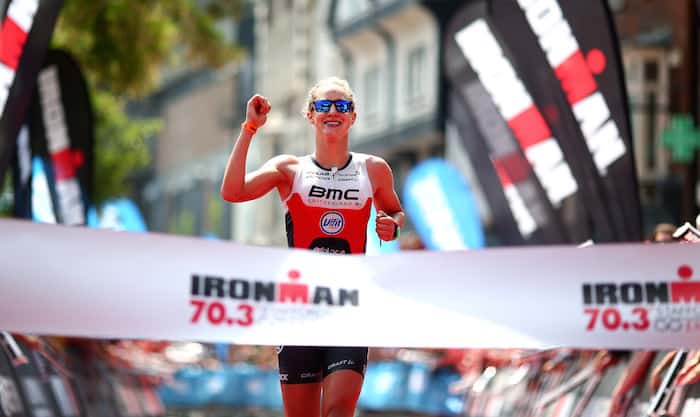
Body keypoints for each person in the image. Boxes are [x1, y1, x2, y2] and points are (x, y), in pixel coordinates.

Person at [221, 76, 405, 417]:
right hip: (298, 309)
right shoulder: (289, 169)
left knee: (338, 411)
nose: (333, 111)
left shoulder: (374, 170)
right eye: (323, 105)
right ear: (310, 115)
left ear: (353, 116)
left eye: (342, 106)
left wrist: (391, 226)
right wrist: (249, 127)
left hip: (349, 308)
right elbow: (232, 192)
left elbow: (393, 212)